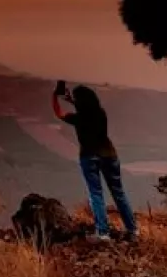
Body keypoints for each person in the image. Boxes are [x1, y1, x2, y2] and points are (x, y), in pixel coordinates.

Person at [53, 82, 139, 242]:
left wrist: (54, 97)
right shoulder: (101, 113)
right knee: (119, 193)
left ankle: (103, 233)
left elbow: (59, 113)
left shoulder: (77, 118)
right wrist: (72, 100)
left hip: (89, 156)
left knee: (96, 194)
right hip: (109, 154)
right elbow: (87, 107)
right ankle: (132, 230)